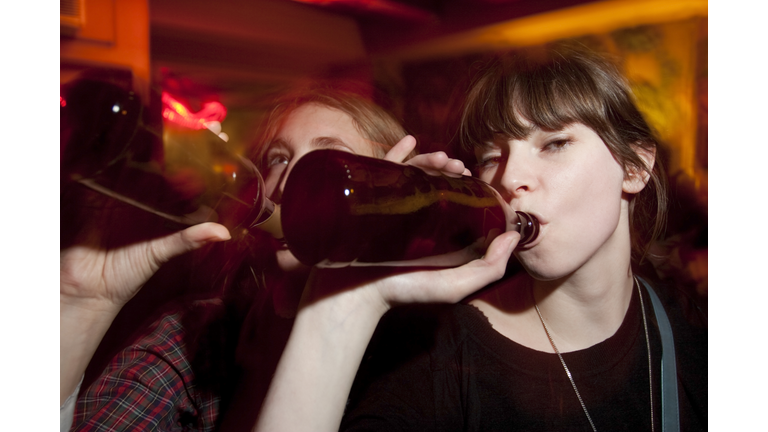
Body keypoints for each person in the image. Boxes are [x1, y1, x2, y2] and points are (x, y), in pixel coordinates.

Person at [255, 47, 707, 431]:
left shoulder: (696, 324)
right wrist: (345, 302)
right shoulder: (439, 359)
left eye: (553, 143)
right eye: (493, 155)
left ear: (634, 167)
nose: (510, 177)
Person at [60, 84, 471, 432]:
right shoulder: (193, 333)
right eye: (278, 158)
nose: (290, 179)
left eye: (327, 159)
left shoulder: (432, 360)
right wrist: (82, 302)